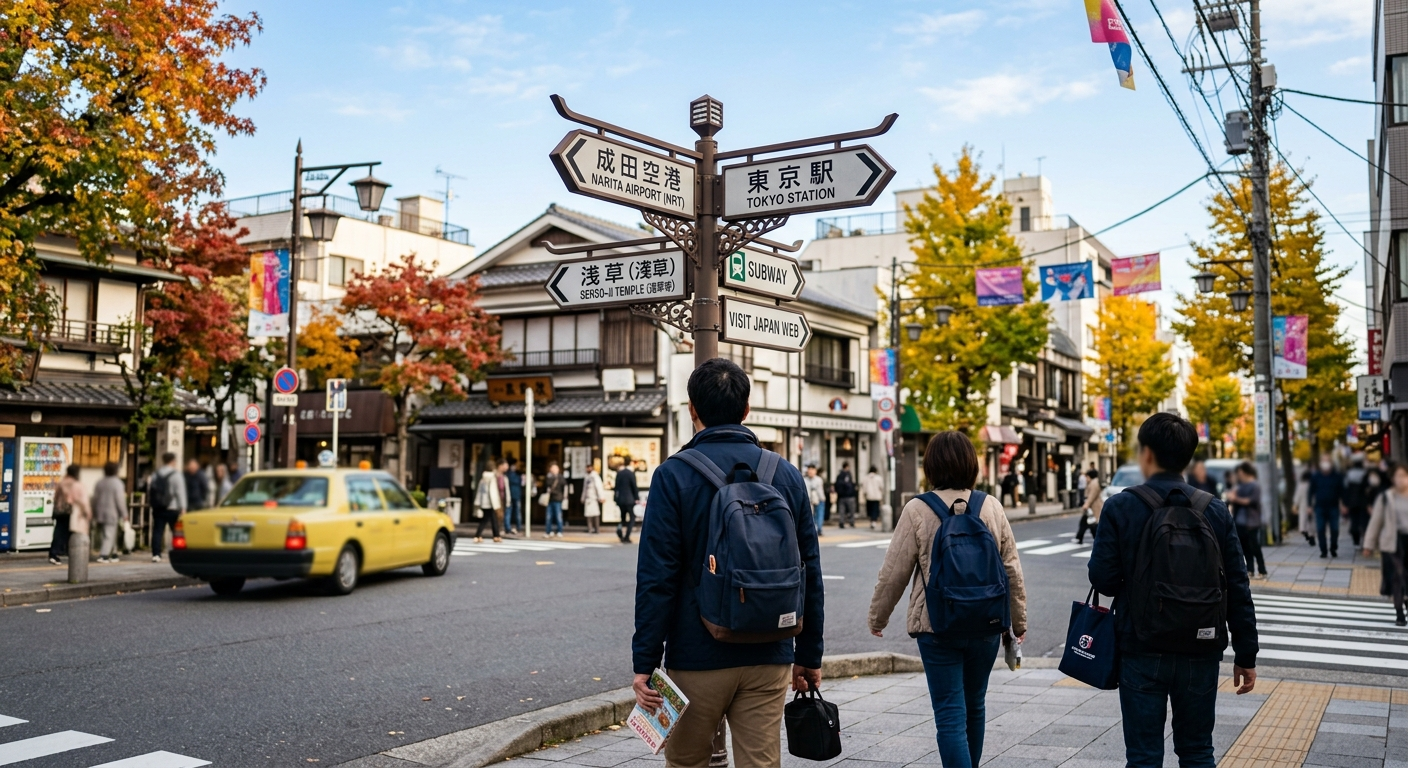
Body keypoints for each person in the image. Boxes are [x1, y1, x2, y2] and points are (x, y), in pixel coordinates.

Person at [631, 358, 823, 767]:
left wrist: (645, 662)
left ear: (692, 410)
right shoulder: (785, 474)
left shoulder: (673, 475)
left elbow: (656, 577)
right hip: (771, 651)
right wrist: (809, 655)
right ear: (747, 410)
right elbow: (809, 570)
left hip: (695, 656)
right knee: (761, 762)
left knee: (687, 762)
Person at [1089, 413, 1258, 768]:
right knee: (1197, 751)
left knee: (1144, 755)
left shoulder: (1121, 506)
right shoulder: (1214, 510)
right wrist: (1246, 654)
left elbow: (1102, 579)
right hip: (1201, 647)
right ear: (1188, 457)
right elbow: (1237, 586)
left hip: (1141, 647)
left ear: (1146, 454)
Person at [868, 431, 1026, 768]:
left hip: (936, 625)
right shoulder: (991, 506)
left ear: (931, 466)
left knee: (950, 715)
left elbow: (894, 571)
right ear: (972, 465)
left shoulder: (917, 509)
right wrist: (1018, 621)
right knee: (975, 706)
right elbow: (1011, 568)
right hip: (987, 622)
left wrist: (878, 618)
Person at [1364, 462, 1408, 626]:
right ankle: (1399, 611)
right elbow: (1376, 521)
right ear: (1392, 479)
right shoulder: (1386, 497)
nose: (1401, 480)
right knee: (1398, 575)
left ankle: (1406, 598)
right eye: (1398, 477)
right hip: (1393, 542)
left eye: (1404, 476)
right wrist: (1369, 544)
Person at [1228, 462, 1267, 579]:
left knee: (1255, 546)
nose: (1239, 476)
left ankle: (1262, 570)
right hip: (1240, 521)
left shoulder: (1255, 485)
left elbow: (1251, 501)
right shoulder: (1239, 486)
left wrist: (1236, 498)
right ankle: (1250, 569)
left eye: (1240, 473)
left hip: (1252, 522)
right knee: (1245, 548)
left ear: (1245, 472)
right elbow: (1233, 499)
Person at [150, 452, 186, 563]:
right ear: (173, 461)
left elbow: (151, 489)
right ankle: (179, 553)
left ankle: (156, 554)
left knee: (157, 531)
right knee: (176, 531)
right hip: (172, 507)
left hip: (158, 507)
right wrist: (183, 507)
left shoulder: (156, 474)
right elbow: (180, 492)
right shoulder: (176, 474)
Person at [1308, 454, 1345, 558]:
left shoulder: (1337, 476)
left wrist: (1343, 505)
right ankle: (1323, 550)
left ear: (1331, 463)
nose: (1326, 463)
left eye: (1327, 461)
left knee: (1334, 529)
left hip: (1333, 507)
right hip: (1319, 507)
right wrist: (1309, 505)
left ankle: (1333, 548)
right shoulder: (1316, 476)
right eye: (1323, 461)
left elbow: (1342, 492)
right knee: (1320, 529)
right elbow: (1310, 492)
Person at [54, 464, 92, 564]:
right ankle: (67, 551)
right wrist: (86, 511)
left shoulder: (62, 482)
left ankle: (54, 553)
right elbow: (76, 499)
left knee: (59, 531)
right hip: (70, 510)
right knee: (70, 532)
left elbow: (56, 496)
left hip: (59, 510)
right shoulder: (75, 484)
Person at [92, 461, 127, 563]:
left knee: (107, 534)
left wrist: (94, 512)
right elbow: (120, 500)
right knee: (109, 534)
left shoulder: (100, 482)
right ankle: (104, 555)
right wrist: (124, 514)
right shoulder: (117, 483)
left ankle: (114, 553)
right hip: (112, 512)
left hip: (100, 512)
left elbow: (95, 499)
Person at [473, 460, 505, 543]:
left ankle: (496, 535)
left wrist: (477, 502)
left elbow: (479, 491)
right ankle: (478, 535)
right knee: (487, 520)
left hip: (484, 502)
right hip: (491, 502)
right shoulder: (493, 478)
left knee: (491, 519)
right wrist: (497, 502)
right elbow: (493, 491)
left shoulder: (483, 479)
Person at [1344, 455, 1372, 548]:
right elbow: (1370, 488)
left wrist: (1345, 503)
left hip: (1352, 502)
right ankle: (1365, 541)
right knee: (1364, 522)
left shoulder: (1349, 474)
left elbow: (1346, 488)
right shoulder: (1366, 474)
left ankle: (1356, 540)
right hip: (1363, 502)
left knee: (1354, 521)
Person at [615, 456, 640, 544]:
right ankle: (627, 536)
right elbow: (634, 487)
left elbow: (616, 487)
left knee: (622, 518)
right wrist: (637, 498)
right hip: (630, 499)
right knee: (632, 518)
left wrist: (616, 499)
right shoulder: (630, 473)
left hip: (621, 499)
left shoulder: (619, 473)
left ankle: (619, 529)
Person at [1075, 468, 1102, 544]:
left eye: (1087, 477)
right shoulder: (1094, 482)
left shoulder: (1094, 483)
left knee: (1092, 524)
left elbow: (1091, 496)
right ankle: (1079, 537)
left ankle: (1081, 537)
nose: (1086, 479)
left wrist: (1086, 504)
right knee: (1085, 523)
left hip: (1094, 507)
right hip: (1092, 507)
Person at [582, 459, 606, 534]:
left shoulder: (595, 476)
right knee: (588, 515)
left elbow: (599, 487)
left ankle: (597, 529)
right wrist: (582, 498)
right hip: (588, 498)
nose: (588, 469)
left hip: (594, 498)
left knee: (595, 514)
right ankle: (590, 528)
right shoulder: (586, 476)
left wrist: (601, 497)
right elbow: (584, 489)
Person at [1294, 467, 1315, 546]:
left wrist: (1295, 505)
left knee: (1303, 522)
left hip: (1303, 506)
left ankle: (1305, 533)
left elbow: (1297, 496)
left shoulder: (1301, 486)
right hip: (1312, 505)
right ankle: (1312, 536)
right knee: (1311, 522)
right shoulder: (1312, 485)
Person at [544, 462, 566, 538]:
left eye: (555, 468)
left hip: (558, 499)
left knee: (558, 515)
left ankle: (559, 530)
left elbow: (564, 487)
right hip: (550, 499)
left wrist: (564, 497)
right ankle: (548, 531)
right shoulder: (549, 477)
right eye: (552, 468)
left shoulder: (561, 477)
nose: (554, 470)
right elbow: (546, 485)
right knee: (548, 516)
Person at [804, 464, 826, 536]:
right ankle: (814, 529)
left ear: (815, 471)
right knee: (811, 516)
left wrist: (822, 498)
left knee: (819, 515)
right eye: (809, 470)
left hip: (819, 499)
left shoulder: (819, 480)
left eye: (812, 470)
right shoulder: (805, 480)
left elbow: (820, 491)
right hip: (809, 501)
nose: (810, 472)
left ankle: (819, 529)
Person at [834, 462, 858, 528]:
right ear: (847, 467)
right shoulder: (847, 475)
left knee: (842, 510)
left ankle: (841, 522)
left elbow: (837, 485)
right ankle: (851, 522)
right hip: (849, 495)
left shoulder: (839, 475)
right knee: (851, 510)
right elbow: (849, 485)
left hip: (841, 496)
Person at [504, 458, 523, 536]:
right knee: (516, 512)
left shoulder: (507, 475)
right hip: (515, 495)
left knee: (509, 512)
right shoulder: (517, 475)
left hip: (510, 495)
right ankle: (518, 527)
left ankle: (508, 528)